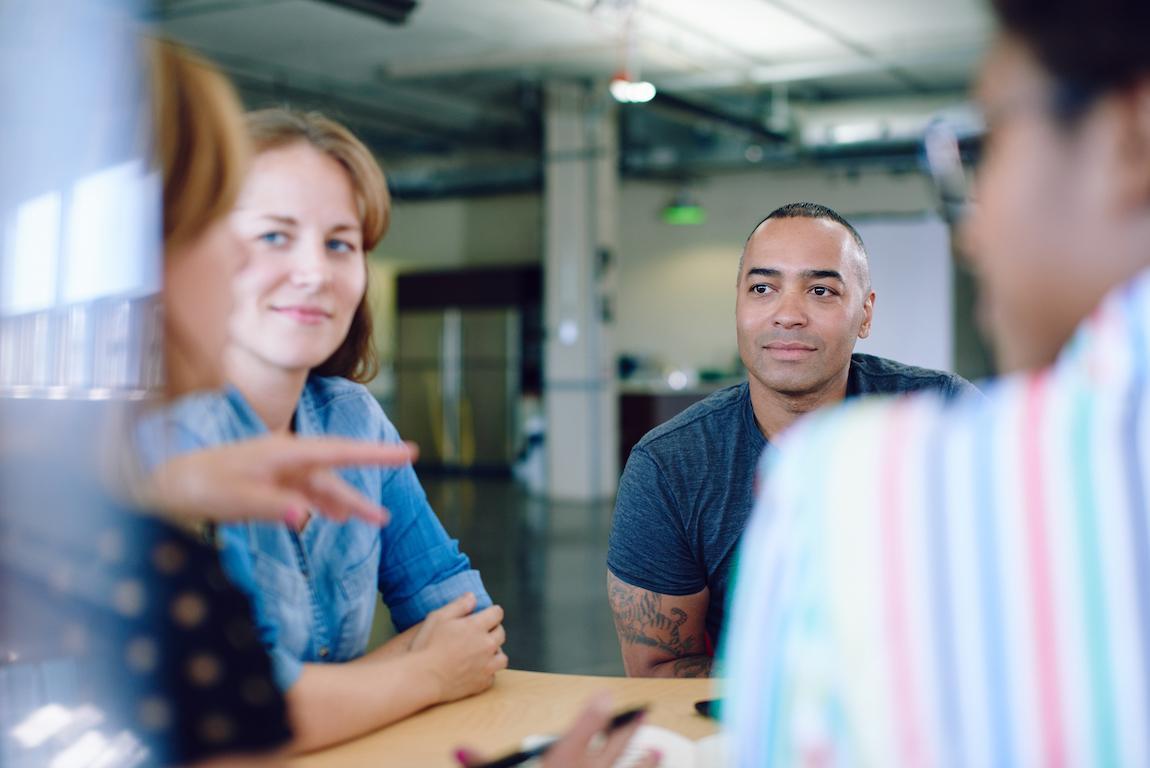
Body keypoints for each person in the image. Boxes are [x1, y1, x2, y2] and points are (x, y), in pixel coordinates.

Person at [723, 0, 1150, 764]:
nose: (973, 228)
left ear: (1131, 134)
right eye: (762, 289)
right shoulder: (672, 458)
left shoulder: (854, 490)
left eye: (987, 144)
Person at [161, 108, 507, 752]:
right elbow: (230, 715)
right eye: (273, 236)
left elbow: (466, 618)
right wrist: (424, 671)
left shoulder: (352, 415)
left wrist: (326, 697)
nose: (315, 272)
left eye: (340, 243)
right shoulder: (158, 447)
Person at [607, 202, 977, 678]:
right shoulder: (671, 466)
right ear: (738, 306)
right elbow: (659, 669)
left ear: (865, 314)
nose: (788, 314)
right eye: (763, 288)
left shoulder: (944, 419)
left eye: (821, 290)